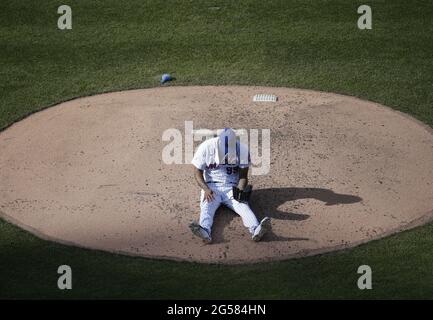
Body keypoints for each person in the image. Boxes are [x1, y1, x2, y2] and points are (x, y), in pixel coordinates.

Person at [189, 128, 271, 243]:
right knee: (207, 207)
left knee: (243, 207)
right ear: (219, 143)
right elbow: (197, 172)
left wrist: (240, 189)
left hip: (231, 187)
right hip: (212, 187)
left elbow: (243, 177)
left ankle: (256, 229)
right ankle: (205, 231)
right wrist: (206, 189)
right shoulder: (206, 147)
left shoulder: (242, 150)